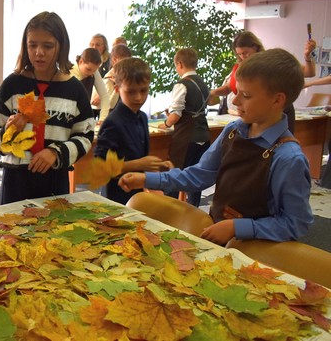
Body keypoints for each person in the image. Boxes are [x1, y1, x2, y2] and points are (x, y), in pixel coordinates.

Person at [119, 48, 313, 245]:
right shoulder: (233, 131)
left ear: (277, 100)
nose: (235, 101)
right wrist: (149, 179)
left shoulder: (288, 158)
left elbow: (295, 223)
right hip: (221, 241)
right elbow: (199, 174)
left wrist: (239, 227)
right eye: (236, 92)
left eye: (245, 95)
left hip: (258, 253)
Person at [0, 11, 95, 204]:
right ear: (25, 46)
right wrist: (8, 131)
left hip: (55, 177)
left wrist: (56, 153)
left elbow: (85, 136)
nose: (39, 52)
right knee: (13, 229)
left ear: (61, 47)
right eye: (32, 45)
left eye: (47, 46)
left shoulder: (74, 89)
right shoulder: (11, 86)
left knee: (54, 230)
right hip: (16, 179)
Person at [94, 58, 172, 204]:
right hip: (114, 196)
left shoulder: (142, 117)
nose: (138, 97)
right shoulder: (112, 122)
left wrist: (157, 166)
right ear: (117, 89)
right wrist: (139, 164)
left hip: (137, 192)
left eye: (144, 90)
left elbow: (139, 155)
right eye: (131, 92)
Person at [158, 48, 210, 207]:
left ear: (179, 64)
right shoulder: (203, 83)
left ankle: (170, 213)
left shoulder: (182, 84)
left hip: (186, 138)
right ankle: (192, 212)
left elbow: (176, 116)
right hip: (204, 135)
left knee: (175, 176)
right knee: (195, 178)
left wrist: (165, 123)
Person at [70, 47, 110, 123]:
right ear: (81, 61)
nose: (91, 73)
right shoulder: (68, 72)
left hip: (84, 118)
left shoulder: (94, 72)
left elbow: (104, 96)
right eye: (88, 69)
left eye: (95, 70)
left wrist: (103, 118)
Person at [93, 43, 133, 111]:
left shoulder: (130, 74)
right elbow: (110, 104)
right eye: (124, 60)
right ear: (114, 60)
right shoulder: (109, 78)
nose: (126, 64)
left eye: (128, 61)